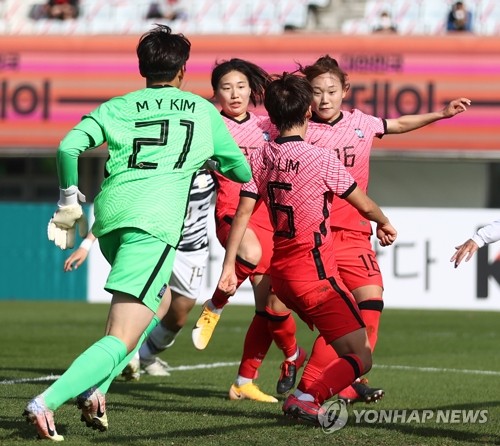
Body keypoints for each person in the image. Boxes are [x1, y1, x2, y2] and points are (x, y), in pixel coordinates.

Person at [23, 25, 251, 442]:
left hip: (110, 218)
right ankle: (46, 402)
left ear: (143, 68)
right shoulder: (202, 111)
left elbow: (67, 147)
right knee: (121, 336)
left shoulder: (119, 105)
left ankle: (98, 390)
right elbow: (241, 170)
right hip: (154, 223)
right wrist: (205, 163)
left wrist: (69, 201)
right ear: (182, 69)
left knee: (159, 301)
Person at [217, 72, 397, 425]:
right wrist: (384, 222)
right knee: (361, 357)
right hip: (313, 275)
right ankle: (306, 397)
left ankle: (293, 366)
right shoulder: (322, 159)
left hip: (280, 276)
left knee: (332, 335)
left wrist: (227, 268)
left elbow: (242, 213)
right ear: (307, 113)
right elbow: (363, 204)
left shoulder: (261, 155)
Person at [297, 55, 471, 404]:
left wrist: (442, 114)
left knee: (370, 308)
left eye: (331, 90)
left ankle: (336, 383)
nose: (325, 99)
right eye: (316, 92)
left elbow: (400, 124)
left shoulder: (362, 123)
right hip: (315, 238)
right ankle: (311, 389)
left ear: (345, 90)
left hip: (356, 234)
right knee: (340, 319)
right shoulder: (298, 129)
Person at [191, 58, 305, 403]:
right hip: (230, 212)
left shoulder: (267, 126)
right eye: (226, 88)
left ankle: (245, 380)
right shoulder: (210, 129)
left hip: (267, 219)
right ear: (216, 95)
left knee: (270, 306)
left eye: (241, 86)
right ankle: (216, 303)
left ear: (252, 90)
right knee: (251, 254)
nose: (235, 93)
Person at [64, 169, 215, 379]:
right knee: (145, 301)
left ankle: (146, 355)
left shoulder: (216, 164)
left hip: (192, 249)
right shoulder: (162, 163)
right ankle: (127, 356)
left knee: (179, 315)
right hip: (155, 239)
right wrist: (87, 244)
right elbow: (120, 205)